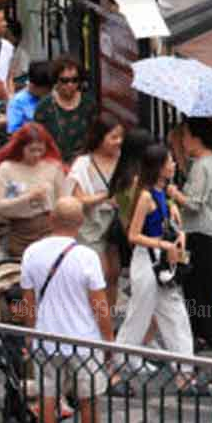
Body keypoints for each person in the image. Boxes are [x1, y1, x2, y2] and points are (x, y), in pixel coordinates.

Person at [19, 197, 113, 423]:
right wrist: (109, 341)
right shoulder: (86, 256)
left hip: (47, 340)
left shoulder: (32, 252)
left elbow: (28, 303)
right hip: (84, 341)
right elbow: (99, 306)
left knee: (48, 399)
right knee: (89, 400)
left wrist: (30, 335)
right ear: (81, 223)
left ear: (50, 219)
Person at [118, 144, 207, 394]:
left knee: (177, 317)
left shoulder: (164, 194)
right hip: (147, 261)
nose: (174, 165)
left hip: (163, 262)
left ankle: (185, 376)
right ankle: (113, 371)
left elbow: (171, 227)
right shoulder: (146, 196)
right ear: (159, 166)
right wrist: (163, 243)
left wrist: (179, 238)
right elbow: (133, 235)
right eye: (170, 161)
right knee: (137, 317)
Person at [168, 118, 212, 352]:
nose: (183, 141)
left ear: (195, 137)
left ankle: (204, 331)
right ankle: (210, 330)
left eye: (185, 136)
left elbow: (193, 203)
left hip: (200, 233)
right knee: (208, 285)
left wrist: (173, 192)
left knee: (197, 286)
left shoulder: (202, 165)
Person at [65, 116, 124, 309]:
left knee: (114, 273)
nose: (118, 141)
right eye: (113, 137)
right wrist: (105, 197)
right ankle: (94, 317)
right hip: (92, 225)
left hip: (115, 224)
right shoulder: (83, 163)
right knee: (99, 272)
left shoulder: (124, 160)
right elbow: (78, 198)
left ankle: (110, 315)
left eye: (120, 137)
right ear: (100, 137)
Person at [0, 122, 68, 259]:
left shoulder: (53, 167)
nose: (36, 155)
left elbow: (63, 200)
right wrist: (27, 197)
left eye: (40, 150)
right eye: (32, 150)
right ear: (21, 147)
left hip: (48, 228)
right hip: (18, 232)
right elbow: (0, 205)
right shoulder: (7, 169)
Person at [33, 57, 93, 164]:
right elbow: (37, 140)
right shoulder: (44, 107)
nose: (70, 85)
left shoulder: (88, 104)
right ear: (56, 80)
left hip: (83, 166)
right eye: (64, 80)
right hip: (53, 165)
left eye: (75, 80)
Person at [6, 61, 52, 135]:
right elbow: (13, 132)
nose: (49, 92)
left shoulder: (52, 97)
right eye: (46, 90)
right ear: (34, 86)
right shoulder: (17, 102)